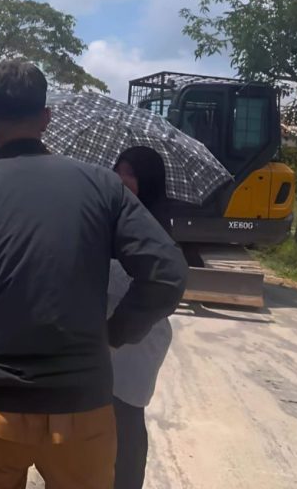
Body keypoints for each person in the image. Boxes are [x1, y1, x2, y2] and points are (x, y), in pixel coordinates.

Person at [0, 59, 188, 489]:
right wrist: (115, 332)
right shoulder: (104, 189)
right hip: (83, 409)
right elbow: (167, 274)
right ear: (45, 118)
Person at [109, 147, 174, 489]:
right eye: (118, 170)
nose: (121, 179)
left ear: (147, 181)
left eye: (131, 173)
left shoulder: (156, 228)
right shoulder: (110, 217)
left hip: (138, 337)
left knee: (126, 415)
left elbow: (155, 287)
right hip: (107, 330)